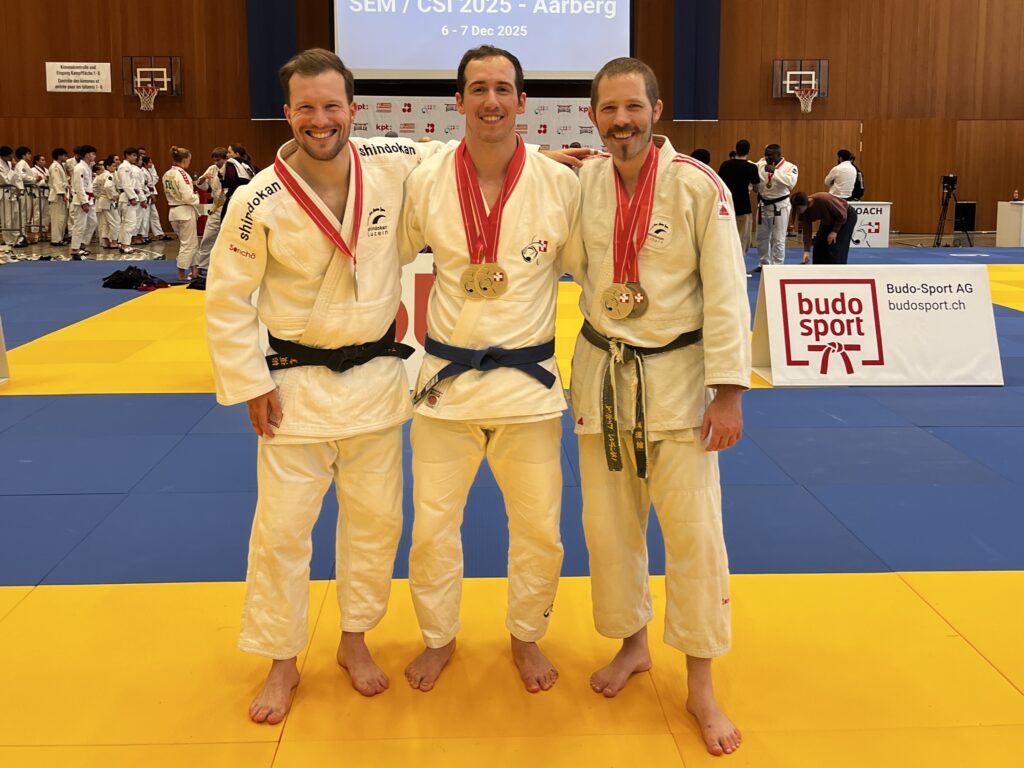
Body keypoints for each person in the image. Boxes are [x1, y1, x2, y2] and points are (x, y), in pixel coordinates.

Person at [205, 47, 457, 725]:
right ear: (287, 113)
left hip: (375, 381)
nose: (321, 120)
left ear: (353, 108)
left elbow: (460, 158)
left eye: (332, 106)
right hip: (294, 388)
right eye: (306, 108)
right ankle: (282, 659)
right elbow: (227, 299)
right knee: (281, 532)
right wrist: (249, 381)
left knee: (376, 525)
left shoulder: (390, 158)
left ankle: (354, 638)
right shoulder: (256, 199)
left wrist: (552, 161)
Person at [567, 57, 749, 757]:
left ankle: (701, 683)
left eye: (632, 107)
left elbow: (727, 291)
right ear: (594, 116)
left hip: (679, 382)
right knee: (609, 530)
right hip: (603, 378)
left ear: (657, 110)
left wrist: (729, 394)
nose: (621, 121)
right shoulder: (581, 183)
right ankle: (632, 644)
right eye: (609, 109)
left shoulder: (699, 186)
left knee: (694, 536)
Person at [398, 45, 581, 695]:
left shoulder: (560, 183)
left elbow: (596, 272)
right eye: (478, 88)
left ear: (523, 101)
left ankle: (526, 635)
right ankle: (438, 637)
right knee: (431, 531)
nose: (491, 101)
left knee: (540, 531)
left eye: (503, 88)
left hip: (529, 391)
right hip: (445, 387)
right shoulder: (425, 179)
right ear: (458, 100)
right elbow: (386, 259)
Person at [751, 143, 798, 275]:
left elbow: (791, 183)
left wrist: (775, 172)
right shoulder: (760, 165)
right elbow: (751, 175)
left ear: (779, 155)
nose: (767, 157)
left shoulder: (790, 167)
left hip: (780, 206)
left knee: (778, 238)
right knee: (761, 237)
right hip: (763, 205)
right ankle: (763, 264)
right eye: (766, 155)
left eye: (771, 155)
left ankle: (777, 265)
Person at [162, 146, 202, 280]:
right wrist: (197, 197)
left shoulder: (167, 174)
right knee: (188, 244)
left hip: (174, 211)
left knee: (191, 242)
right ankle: (181, 274)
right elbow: (188, 197)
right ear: (184, 160)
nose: (189, 162)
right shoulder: (182, 174)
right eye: (189, 160)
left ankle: (194, 270)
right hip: (184, 210)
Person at [792, 190, 858, 265]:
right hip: (829, 220)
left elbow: (842, 215)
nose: (798, 211)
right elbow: (807, 232)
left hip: (845, 216)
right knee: (818, 246)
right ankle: (819, 270)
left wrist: (834, 231)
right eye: (796, 209)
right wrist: (806, 252)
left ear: (805, 203)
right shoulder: (803, 213)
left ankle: (837, 270)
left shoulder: (823, 199)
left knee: (834, 247)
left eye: (799, 208)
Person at [718, 139, 760, 254]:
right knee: (742, 238)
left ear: (735, 150)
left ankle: (726, 260)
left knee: (726, 236)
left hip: (726, 205)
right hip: (743, 206)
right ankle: (740, 262)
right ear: (749, 151)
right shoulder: (752, 167)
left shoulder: (725, 165)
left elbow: (719, 184)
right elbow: (756, 189)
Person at [194, 147, 228, 275]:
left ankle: (226, 265)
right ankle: (202, 265)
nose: (216, 163)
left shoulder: (231, 169)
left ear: (225, 159)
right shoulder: (212, 169)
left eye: (218, 160)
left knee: (228, 236)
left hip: (230, 204)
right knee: (208, 236)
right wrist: (203, 178)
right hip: (217, 205)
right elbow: (200, 183)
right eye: (214, 160)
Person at [69, 145, 98, 259]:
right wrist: (83, 202)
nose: (94, 156)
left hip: (89, 199)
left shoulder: (87, 167)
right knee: (80, 225)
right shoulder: (79, 168)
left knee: (93, 222)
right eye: (93, 154)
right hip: (81, 200)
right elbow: (79, 186)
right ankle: (75, 249)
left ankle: (82, 244)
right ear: (87, 155)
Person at [116, 148, 141, 254]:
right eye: (134, 155)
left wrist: (134, 191)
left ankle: (123, 244)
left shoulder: (128, 166)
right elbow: (125, 183)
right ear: (127, 155)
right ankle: (125, 245)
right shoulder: (124, 167)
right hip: (127, 198)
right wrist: (132, 197)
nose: (136, 157)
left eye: (136, 156)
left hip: (127, 196)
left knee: (126, 223)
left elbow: (129, 184)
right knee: (130, 222)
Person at [47, 148, 71, 246]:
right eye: (65, 155)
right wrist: (62, 194)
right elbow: (57, 182)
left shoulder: (60, 166)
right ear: (59, 156)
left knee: (62, 219)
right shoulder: (55, 166)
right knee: (57, 219)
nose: (66, 157)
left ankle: (60, 238)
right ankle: (56, 240)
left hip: (62, 195)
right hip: (57, 196)